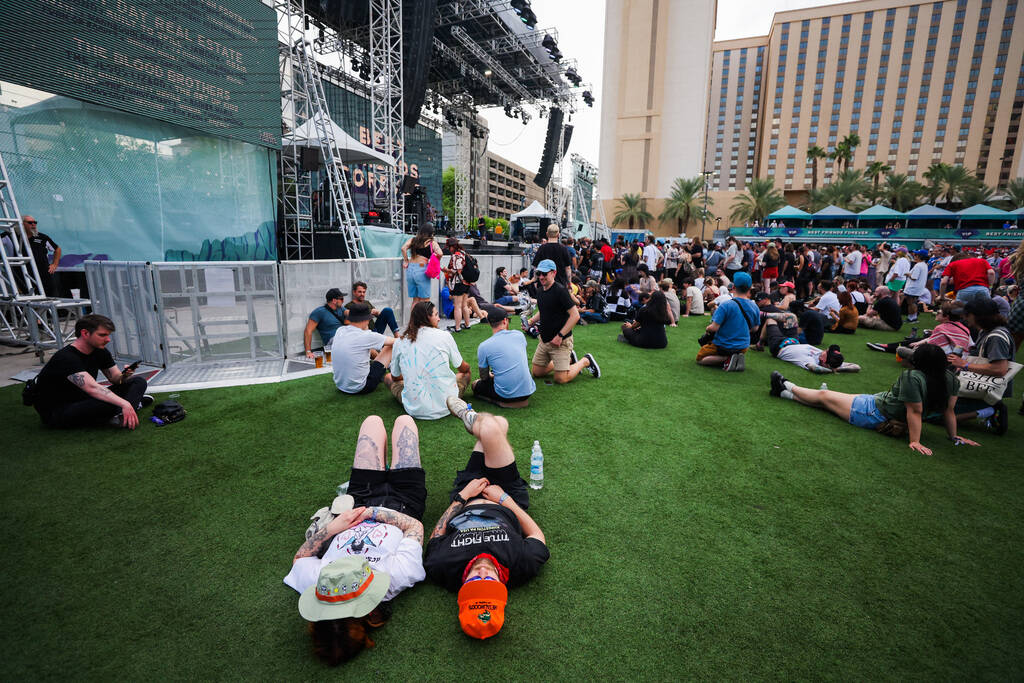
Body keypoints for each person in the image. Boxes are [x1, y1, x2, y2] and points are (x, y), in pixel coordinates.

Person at [285, 415, 427, 665]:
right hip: (404, 504)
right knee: (405, 422)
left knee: (372, 422)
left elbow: (300, 559)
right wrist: (374, 514)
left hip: (359, 499)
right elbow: (414, 526)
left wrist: (332, 528)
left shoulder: (320, 587)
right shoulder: (396, 577)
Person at [425, 399, 550, 639]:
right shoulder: (521, 565)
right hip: (506, 495)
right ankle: (472, 418)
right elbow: (537, 536)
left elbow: (437, 536)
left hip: (468, 493)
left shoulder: (442, 566)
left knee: (495, 426)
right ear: (501, 588)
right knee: (495, 426)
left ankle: (473, 419)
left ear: (463, 589)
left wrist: (462, 497)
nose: (482, 570)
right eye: (489, 580)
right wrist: (504, 500)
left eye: (475, 580)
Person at [769, 345, 977, 456]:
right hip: (875, 404)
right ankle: (782, 393)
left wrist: (915, 441)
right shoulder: (950, 378)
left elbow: (915, 411)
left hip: (873, 413)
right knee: (826, 403)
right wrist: (954, 436)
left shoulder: (913, 377)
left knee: (824, 396)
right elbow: (949, 411)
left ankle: (786, 384)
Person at [30, 314, 150, 429]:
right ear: (85, 333)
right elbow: (92, 388)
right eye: (102, 335)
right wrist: (125, 403)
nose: (108, 339)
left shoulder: (99, 350)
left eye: (108, 335)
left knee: (138, 382)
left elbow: (115, 379)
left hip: (84, 399)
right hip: (58, 411)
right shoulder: (66, 358)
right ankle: (130, 407)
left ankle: (121, 414)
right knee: (111, 401)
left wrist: (125, 375)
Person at [389, 301, 471, 420]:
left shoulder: (399, 341)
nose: (438, 319)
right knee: (464, 374)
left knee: (388, 378)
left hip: (414, 408)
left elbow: (395, 377)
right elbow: (463, 368)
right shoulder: (445, 336)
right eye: (436, 315)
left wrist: (411, 375)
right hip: (447, 405)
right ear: (427, 317)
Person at [946, 297, 1016, 435]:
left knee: (940, 415)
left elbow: (1000, 369)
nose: (964, 317)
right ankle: (989, 407)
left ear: (979, 316)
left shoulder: (996, 336)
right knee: (938, 407)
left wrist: (965, 365)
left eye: (967, 314)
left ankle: (990, 410)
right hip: (978, 387)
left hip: (984, 391)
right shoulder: (986, 331)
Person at [525, 259, 600, 383]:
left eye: (545, 274)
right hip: (544, 340)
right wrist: (531, 321)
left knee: (560, 379)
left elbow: (575, 316)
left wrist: (560, 336)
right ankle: (568, 360)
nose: (541, 277)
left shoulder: (560, 291)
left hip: (561, 341)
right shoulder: (540, 290)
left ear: (553, 273)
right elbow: (544, 310)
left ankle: (585, 361)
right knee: (537, 372)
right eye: (539, 273)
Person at [471, 309, 536, 408]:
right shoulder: (519, 335)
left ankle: (501, 403)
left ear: (489, 323)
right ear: (505, 321)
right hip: (528, 391)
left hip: (505, 396)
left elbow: (484, 377)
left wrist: (491, 376)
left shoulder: (484, 346)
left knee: (475, 384)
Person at [696, 271, 758, 372]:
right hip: (743, 346)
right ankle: (734, 357)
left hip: (724, 344)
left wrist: (707, 328)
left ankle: (728, 358)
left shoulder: (726, 305)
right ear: (749, 288)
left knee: (700, 358)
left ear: (733, 287)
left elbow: (714, 327)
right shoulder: (754, 306)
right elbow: (755, 328)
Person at [867, 300, 972, 360]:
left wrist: (919, 345)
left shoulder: (941, 328)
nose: (937, 312)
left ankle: (888, 347)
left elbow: (930, 348)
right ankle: (887, 346)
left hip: (946, 361)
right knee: (921, 339)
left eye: (940, 311)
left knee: (909, 348)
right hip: (961, 358)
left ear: (946, 316)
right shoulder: (963, 327)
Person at [331, 303, 396, 395]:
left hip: (341, 385)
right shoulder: (366, 335)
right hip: (362, 387)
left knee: (366, 348)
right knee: (390, 346)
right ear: (366, 319)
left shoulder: (340, 330)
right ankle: (396, 373)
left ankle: (387, 368)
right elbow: (397, 341)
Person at [760, 316, 860, 373]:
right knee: (791, 317)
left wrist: (830, 369)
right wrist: (836, 368)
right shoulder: (832, 360)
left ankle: (759, 344)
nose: (825, 350)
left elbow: (816, 369)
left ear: (824, 361)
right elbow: (856, 366)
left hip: (779, 345)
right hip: (794, 341)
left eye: (827, 352)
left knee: (770, 320)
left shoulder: (810, 361)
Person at [401, 223, 443, 313]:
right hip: (422, 270)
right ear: (431, 233)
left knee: (415, 300)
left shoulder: (413, 240)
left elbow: (403, 248)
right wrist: (434, 258)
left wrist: (406, 260)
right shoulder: (432, 243)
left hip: (410, 270)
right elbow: (440, 253)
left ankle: (413, 324)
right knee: (425, 301)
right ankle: (424, 323)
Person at [21, 215, 61, 296]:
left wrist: (54, 264)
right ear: (22, 224)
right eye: (30, 223)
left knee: (50, 298)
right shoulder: (13, 236)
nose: (33, 224)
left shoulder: (42, 237)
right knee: (27, 300)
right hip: (23, 274)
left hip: (44, 274)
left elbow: (57, 249)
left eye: (35, 222)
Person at [305, 288, 348, 360]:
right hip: (334, 340)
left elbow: (349, 312)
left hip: (345, 336)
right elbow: (308, 331)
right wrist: (308, 351)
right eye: (341, 299)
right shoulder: (319, 312)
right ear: (334, 300)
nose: (343, 301)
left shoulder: (340, 308)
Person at [443, 238, 471, 332]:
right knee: (464, 305)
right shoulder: (464, 253)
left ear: (453, 246)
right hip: (467, 282)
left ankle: (457, 327)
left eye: (449, 247)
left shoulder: (456, 255)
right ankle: (467, 324)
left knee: (457, 306)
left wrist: (446, 270)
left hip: (458, 283)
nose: (448, 249)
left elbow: (456, 270)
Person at [903, 250, 930, 323]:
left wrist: (907, 274)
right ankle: (913, 317)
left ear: (919, 256)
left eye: (915, 255)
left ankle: (911, 318)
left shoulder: (918, 265)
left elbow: (914, 277)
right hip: (918, 287)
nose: (914, 256)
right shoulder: (924, 265)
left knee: (910, 303)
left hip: (913, 287)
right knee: (913, 303)